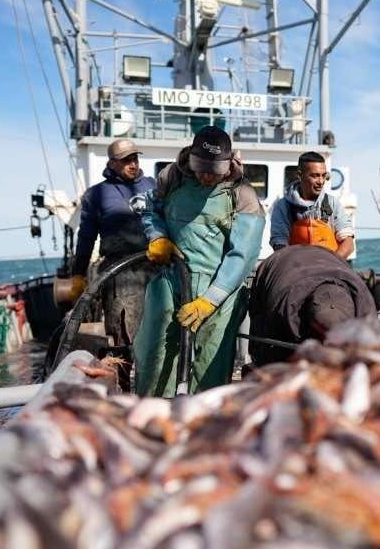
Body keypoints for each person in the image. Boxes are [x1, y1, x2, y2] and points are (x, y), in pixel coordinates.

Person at [133, 126, 264, 396]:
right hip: (170, 278)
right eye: (200, 169)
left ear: (227, 167)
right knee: (155, 351)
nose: (205, 177)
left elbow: (242, 255)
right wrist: (157, 237)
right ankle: (153, 414)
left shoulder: (244, 196)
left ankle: (204, 420)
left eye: (213, 172)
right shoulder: (172, 177)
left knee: (211, 364)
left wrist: (210, 301)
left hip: (219, 288)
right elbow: (151, 209)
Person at [70, 139, 156, 345]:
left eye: (134, 158)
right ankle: (125, 373)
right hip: (120, 272)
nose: (133, 164)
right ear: (111, 163)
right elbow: (86, 238)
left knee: (160, 328)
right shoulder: (96, 195)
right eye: (126, 160)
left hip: (157, 266)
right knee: (124, 331)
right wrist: (78, 274)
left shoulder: (153, 185)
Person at [248, 244, 377, 366]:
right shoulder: (280, 307)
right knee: (268, 354)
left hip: (326, 257)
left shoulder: (365, 309)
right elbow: (269, 345)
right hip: (279, 263)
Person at [270, 152, 355, 259]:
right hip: (296, 268)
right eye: (315, 176)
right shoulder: (283, 206)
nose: (321, 181)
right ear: (300, 175)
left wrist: (331, 264)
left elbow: (348, 243)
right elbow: (279, 244)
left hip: (331, 267)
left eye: (324, 176)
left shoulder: (333, 203)